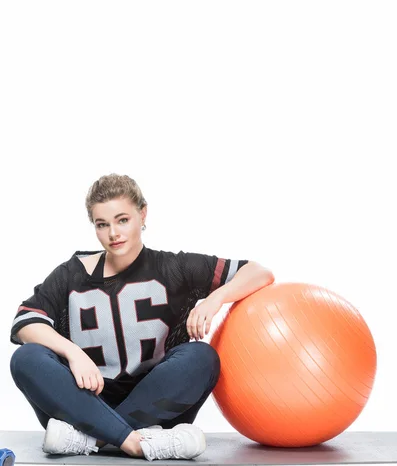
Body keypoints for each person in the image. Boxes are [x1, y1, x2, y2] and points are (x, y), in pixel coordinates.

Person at [9, 174, 274, 461]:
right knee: (26, 358)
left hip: (154, 406)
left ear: (142, 214)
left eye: (122, 220)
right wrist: (74, 353)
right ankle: (135, 443)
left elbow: (259, 272)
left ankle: (93, 439)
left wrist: (215, 299)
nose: (113, 233)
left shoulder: (174, 267)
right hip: (82, 403)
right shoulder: (71, 273)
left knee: (201, 356)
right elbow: (24, 321)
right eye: (102, 224)